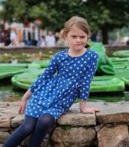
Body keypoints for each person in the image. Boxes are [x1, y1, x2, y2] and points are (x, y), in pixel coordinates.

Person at [3, 16, 100, 147]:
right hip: (43, 95)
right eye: (74, 36)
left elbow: (86, 82)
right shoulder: (59, 57)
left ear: (88, 36)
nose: (78, 40)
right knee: (27, 127)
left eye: (82, 37)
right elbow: (45, 77)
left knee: (44, 121)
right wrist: (26, 97)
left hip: (62, 99)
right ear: (66, 36)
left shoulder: (92, 57)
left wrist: (83, 107)